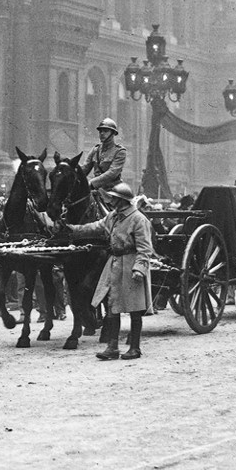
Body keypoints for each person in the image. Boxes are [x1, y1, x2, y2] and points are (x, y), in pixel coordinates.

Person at [55, 182, 154, 360]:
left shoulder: (138, 219)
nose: (111, 201)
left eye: (114, 199)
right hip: (115, 264)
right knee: (112, 307)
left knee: (134, 309)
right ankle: (112, 347)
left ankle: (134, 348)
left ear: (122, 201)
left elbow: (145, 248)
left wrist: (139, 269)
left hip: (131, 265)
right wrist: (71, 229)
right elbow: (93, 227)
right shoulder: (113, 217)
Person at [81, 118, 127, 191]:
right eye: (100, 131)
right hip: (97, 189)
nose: (102, 133)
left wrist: (91, 183)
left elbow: (112, 173)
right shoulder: (95, 150)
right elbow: (85, 168)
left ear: (113, 133)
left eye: (105, 131)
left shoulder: (120, 151)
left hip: (114, 191)